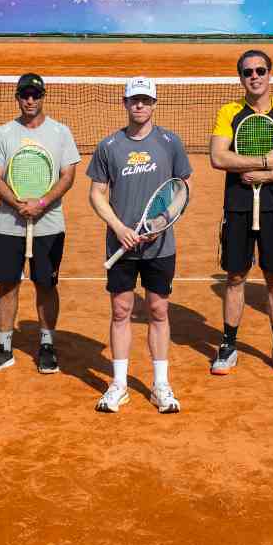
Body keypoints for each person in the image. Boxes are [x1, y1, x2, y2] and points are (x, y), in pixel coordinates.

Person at [87, 77, 192, 413]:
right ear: (125, 102)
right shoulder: (109, 146)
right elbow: (96, 193)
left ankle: (160, 385)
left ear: (154, 104)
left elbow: (182, 188)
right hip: (121, 242)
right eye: (134, 100)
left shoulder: (170, 143)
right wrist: (118, 227)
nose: (140, 105)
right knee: (121, 311)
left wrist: (162, 223)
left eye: (146, 100)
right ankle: (119, 384)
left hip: (160, 245)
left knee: (158, 310)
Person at [209, 50, 273, 376]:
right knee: (235, 277)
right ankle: (228, 345)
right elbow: (219, 158)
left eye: (260, 70)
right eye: (248, 71)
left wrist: (264, 177)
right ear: (241, 77)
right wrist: (264, 162)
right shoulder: (229, 112)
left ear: (269, 73)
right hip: (237, 206)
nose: (254, 76)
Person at [0, 73, 81, 376]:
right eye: (25, 95)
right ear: (18, 97)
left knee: (45, 284)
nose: (30, 100)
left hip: (49, 223)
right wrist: (18, 204)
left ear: (43, 96)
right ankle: (4, 348)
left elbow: (67, 175)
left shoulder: (61, 133)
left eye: (35, 95)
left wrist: (42, 203)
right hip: (10, 223)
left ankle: (47, 345)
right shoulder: (4, 133)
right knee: (8, 283)